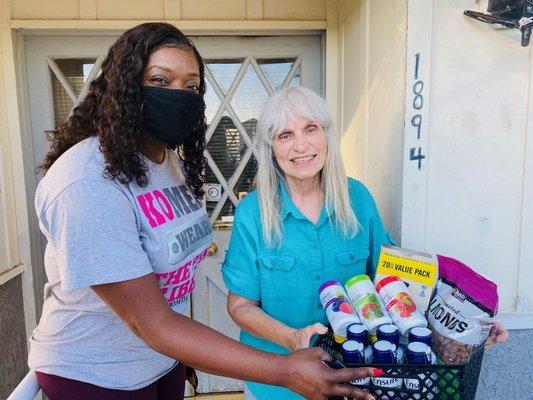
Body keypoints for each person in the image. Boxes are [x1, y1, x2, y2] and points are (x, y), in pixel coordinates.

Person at [28, 23, 379, 400]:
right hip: (97, 375)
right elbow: (151, 322)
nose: (178, 96)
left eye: (191, 86)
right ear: (124, 86)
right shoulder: (86, 181)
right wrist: (283, 368)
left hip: (160, 361)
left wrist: (184, 355)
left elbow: (167, 289)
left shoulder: (164, 162)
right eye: (161, 81)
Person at [221, 87, 510, 400]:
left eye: (311, 129)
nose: (301, 145)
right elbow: (241, 306)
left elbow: (399, 283)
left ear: (327, 136)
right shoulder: (253, 213)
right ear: (271, 147)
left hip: (355, 382)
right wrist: (292, 338)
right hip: (275, 385)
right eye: (285, 135)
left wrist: (467, 328)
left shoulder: (357, 199)